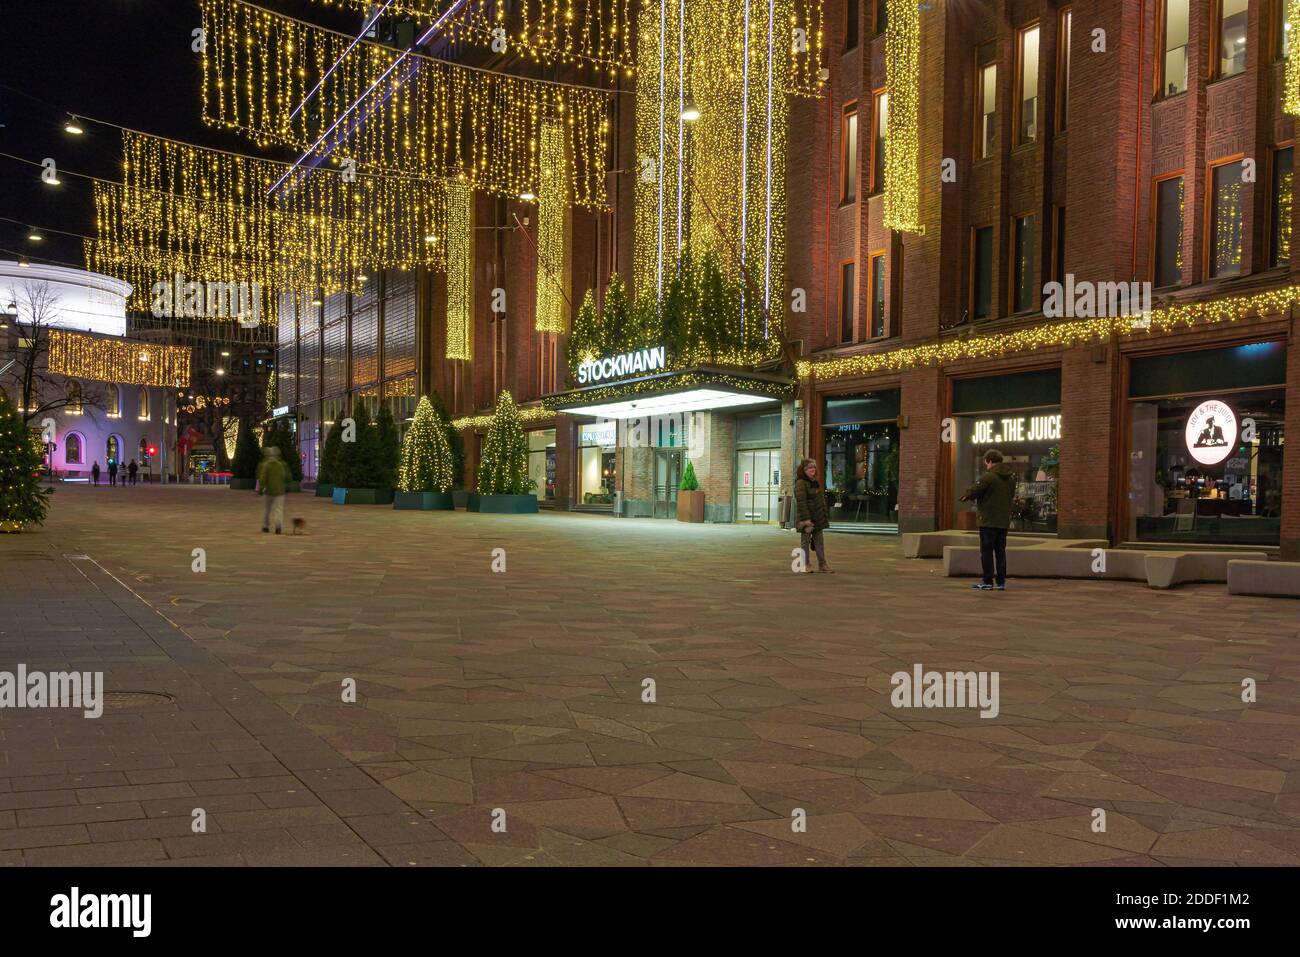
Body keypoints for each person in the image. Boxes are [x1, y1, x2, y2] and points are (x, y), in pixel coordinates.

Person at [959, 448, 1017, 591]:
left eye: (986, 463)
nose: (986, 465)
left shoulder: (988, 476)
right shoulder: (1011, 478)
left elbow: (973, 491)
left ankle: (987, 581)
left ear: (989, 461)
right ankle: (1001, 582)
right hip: (1003, 521)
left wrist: (966, 496)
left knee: (986, 551)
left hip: (988, 521)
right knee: (1000, 552)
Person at [793, 458, 833, 574]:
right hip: (807, 518)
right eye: (810, 468)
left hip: (817, 517)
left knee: (819, 542)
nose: (813, 470)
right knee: (805, 542)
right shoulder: (801, 483)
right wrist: (806, 519)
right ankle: (805, 564)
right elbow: (801, 502)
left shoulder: (814, 482)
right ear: (804, 470)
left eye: (814, 467)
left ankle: (823, 564)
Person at [256, 445, 290, 534]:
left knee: (267, 510)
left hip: (269, 491)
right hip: (280, 491)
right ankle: (278, 527)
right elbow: (285, 476)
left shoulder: (266, 465)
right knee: (278, 510)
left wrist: (261, 488)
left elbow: (263, 477)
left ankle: (266, 526)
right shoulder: (281, 465)